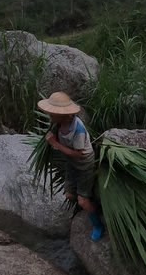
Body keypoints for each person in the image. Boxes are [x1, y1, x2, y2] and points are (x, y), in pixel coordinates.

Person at [38, 91, 104, 241]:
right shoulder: (58, 123)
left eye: (52, 113)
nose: (50, 115)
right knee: (69, 194)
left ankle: (98, 224)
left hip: (84, 165)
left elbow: (78, 154)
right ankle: (88, 202)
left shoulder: (78, 130)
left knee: (82, 200)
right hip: (71, 164)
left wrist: (54, 144)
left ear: (63, 114)